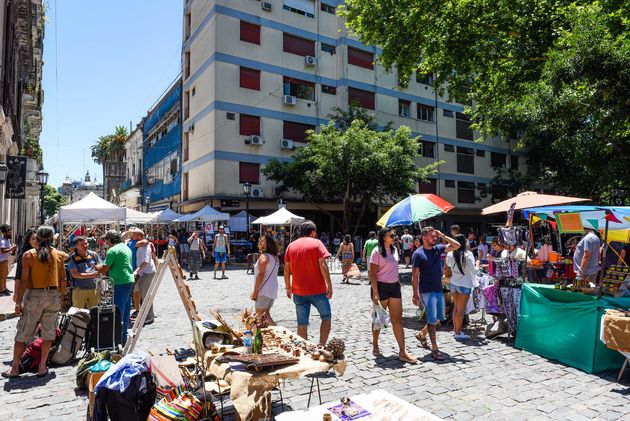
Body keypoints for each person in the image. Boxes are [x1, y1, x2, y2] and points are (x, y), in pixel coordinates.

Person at [3, 226, 67, 378]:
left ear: (37, 238)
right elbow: (63, 279)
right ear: (52, 238)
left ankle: (15, 368)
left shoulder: (28, 255)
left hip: (34, 296)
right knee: (48, 333)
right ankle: (42, 366)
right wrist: (62, 297)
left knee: (23, 333)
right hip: (53, 295)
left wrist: (18, 302)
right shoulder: (59, 255)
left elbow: (24, 281)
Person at [412, 226, 460, 360]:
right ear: (424, 237)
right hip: (426, 290)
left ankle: (422, 334)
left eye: (435, 236)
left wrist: (442, 235)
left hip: (438, 288)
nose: (435, 238)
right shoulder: (418, 254)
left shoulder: (437, 249)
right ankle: (435, 348)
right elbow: (414, 275)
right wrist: (415, 294)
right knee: (432, 320)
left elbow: (456, 245)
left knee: (439, 317)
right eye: (432, 236)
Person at [370, 228, 417, 364]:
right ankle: (375, 344)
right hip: (381, 287)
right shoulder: (376, 252)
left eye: (395, 235)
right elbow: (372, 273)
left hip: (395, 287)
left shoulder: (395, 249)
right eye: (392, 235)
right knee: (378, 320)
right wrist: (375, 292)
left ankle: (402, 351)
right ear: (384, 237)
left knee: (397, 319)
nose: (394, 237)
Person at [284, 221, 333, 345]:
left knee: (302, 323)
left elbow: (286, 269)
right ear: (313, 232)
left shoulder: (291, 246)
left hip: (299, 291)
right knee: (326, 317)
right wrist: (329, 286)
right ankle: (321, 345)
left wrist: (288, 287)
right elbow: (323, 265)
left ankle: (304, 349)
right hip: (317, 290)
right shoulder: (317, 243)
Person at [97, 230, 135, 344]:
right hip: (129, 280)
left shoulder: (112, 250)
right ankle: (123, 337)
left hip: (120, 282)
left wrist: (97, 267)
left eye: (106, 240)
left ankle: (117, 339)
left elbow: (104, 269)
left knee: (118, 311)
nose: (105, 242)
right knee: (126, 311)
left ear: (111, 239)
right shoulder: (125, 247)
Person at [446, 235, 477, 340]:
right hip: (465, 284)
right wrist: (478, 263)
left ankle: (456, 331)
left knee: (456, 308)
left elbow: (448, 265)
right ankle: (458, 332)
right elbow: (474, 271)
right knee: (460, 310)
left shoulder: (450, 254)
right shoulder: (469, 254)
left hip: (454, 283)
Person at [251, 234, 280, 325]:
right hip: (272, 288)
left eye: (261, 241)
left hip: (264, 289)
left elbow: (260, 274)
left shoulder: (263, 256)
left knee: (261, 315)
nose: (259, 242)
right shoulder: (275, 257)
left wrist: (255, 291)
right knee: (265, 314)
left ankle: (279, 330)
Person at [67, 236, 102, 309]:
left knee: (94, 314)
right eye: (82, 244)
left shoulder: (93, 255)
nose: (85, 246)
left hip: (94, 289)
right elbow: (75, 274)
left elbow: (100, 267)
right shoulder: (72, 258)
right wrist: (92, 275)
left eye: (86, 243)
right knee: (77, 314)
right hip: (79, 290)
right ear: (76, 246)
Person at [134, 230, 156, 325]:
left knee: (146, 295)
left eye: (134, 234)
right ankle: (146, 315)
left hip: (147, 273)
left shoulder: (145, 246)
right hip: (144, 273)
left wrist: (137, 270)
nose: (132, 236)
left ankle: (149, 317)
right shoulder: (141, 244)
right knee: (144, 295)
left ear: (140, 236)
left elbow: (146, 261)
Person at [12, 229, 37, 304]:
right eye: (33, 239)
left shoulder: (43, 254)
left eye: (37, 238)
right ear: (28, 241)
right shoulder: (24, 255)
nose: (36, 241)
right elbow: (18, 276)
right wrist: (16, 293)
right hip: (27, 291)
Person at [0, 224, 17, 295]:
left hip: (5, 260)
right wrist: (12, 248)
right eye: (9, 232)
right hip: (1, 261)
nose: (10, 233)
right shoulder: (2, 241)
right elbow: (3, 250)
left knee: (5, 275)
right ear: (4, 233)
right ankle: (1, 289)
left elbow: (9, 251)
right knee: (2, 275)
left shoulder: (6, 240)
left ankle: (4, 288)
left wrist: (13, 250)